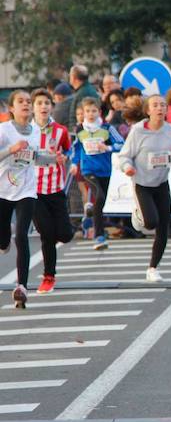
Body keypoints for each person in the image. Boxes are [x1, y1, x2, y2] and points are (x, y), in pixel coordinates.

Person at [117, 94, 171, 282]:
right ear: (148, 111)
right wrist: (128, 167)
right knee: (150, 222)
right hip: (142, 183)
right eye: (155, 105)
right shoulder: (137, 131)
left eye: (163, 105)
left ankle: (152, 268)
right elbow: (124, 156)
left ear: (166, 110)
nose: (159, 109)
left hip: (161, 183)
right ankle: (138, 214)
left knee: (163, 226)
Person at [30, 89, 74, 294]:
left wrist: (65, 157)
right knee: (47, 234)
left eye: (47, 103)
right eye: (39, 103)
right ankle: (49, 277)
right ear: (33, 107)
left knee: (65, 235)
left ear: (52, 106)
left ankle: (59, 232)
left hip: (56, 188)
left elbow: (68, 149)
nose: (44, 106)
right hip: (34, 190)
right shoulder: (26, 131)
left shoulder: (60, 130)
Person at [0, 90, 41, 308]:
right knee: (3, 239)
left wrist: (55, 159)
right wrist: (11, 149)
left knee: (22, 236)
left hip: (26, 190)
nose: (26, 104)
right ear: (12, 108)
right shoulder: (4, 130)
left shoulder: (35, 131)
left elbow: (37, 157)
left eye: (28, 101)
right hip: (3, 190)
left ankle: (22, 287)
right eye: (21, 101)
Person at [71, 97, 125, 250]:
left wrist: (107, 148)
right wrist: (75, 164)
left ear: (99, 112)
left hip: (105, 170)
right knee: (99, 197)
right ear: (83, 112)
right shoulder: (80, 129)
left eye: (94, 111)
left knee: (100, 204)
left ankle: (89, 215)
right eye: (87, 111)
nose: (90, 114)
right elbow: (76, 148)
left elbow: (122, 144)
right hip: (88, 169)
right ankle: (99, 236)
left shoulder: (107, 128)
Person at [65, 64, 100, 131]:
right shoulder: (86, 90)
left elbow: (80, 116)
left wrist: (75, 130)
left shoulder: (83, 93)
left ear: (73, 77)